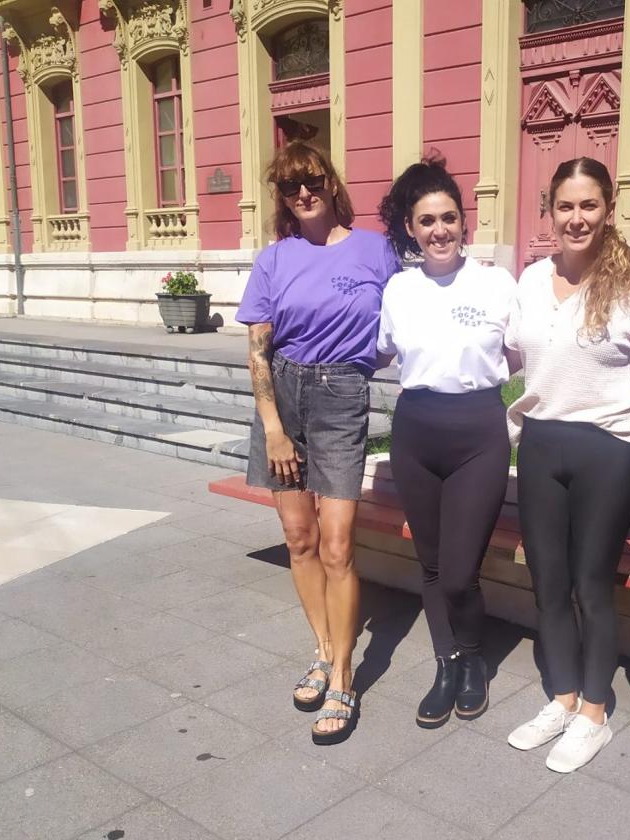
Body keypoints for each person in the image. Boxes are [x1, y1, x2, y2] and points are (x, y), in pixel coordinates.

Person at [503, 157, 630, 773]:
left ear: (607, 210)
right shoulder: (529, 280)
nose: (576, 218)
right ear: (550, 210)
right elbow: (514, 357)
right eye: (565, 206)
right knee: (547, 582)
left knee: (591, 586)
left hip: (608, 446)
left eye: (588, 206)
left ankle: (594, 711)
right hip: (541, 443)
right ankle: (562, 696)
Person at [236, 141, 399, 746]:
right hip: (284, 396)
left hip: (340, 397)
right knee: (299, 540)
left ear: (331, 182)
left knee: (336, 547)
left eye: (310, 180)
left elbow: (402, 319)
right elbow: (257, 348)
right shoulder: (274, 259)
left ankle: (344, 675)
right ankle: (325, 648)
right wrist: (274, 427)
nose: (301, 192)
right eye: (288, 186)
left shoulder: (375, 249)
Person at [375, 158, 516, 728]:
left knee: (460, 571)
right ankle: (447, 662)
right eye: (427, 220)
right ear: (412, 227)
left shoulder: (495, 283)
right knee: (431, 566)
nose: (439, 230)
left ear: (465, 222)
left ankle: (475, 658)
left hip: (478, 430)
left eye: (449, 218)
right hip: (416, 430)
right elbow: (380, 351)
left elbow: (534, 350)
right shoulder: (400, 289)